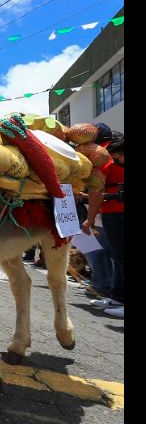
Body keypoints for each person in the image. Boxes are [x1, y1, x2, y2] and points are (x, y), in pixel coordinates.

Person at [84, 132, 125, 318]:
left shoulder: (105, 161)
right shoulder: (110, 160)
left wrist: (89, 219)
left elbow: (96, 191)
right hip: (111, 213)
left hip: (116, 214)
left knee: (121, 257)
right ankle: (117, 297)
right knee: (117, 257)